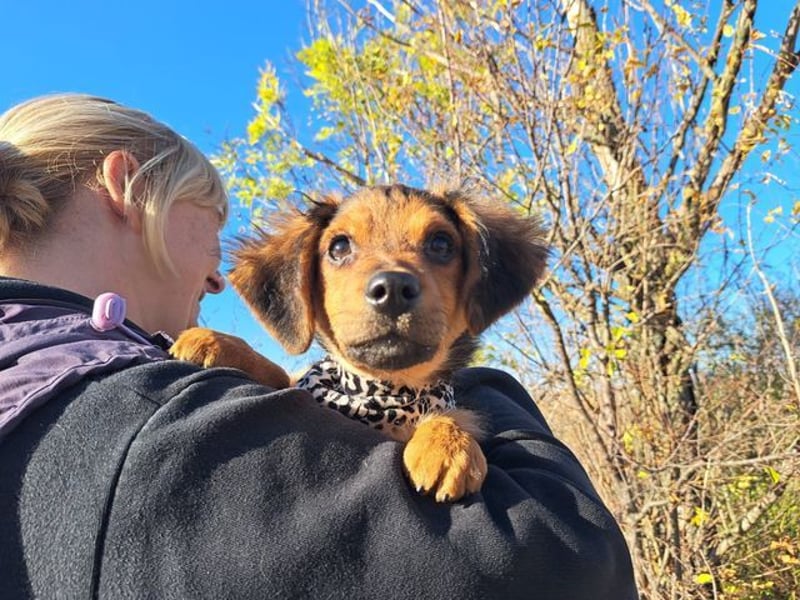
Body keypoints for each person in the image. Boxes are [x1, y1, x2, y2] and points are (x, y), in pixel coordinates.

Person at [0, 93, 638, 599]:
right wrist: (493, 398)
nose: (394, 278)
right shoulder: (142, 419)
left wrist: (452, 418)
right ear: (126, 190)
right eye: (342, 249)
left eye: (438, 245)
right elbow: (572, 566)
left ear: (479, 276)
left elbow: (307, 405)